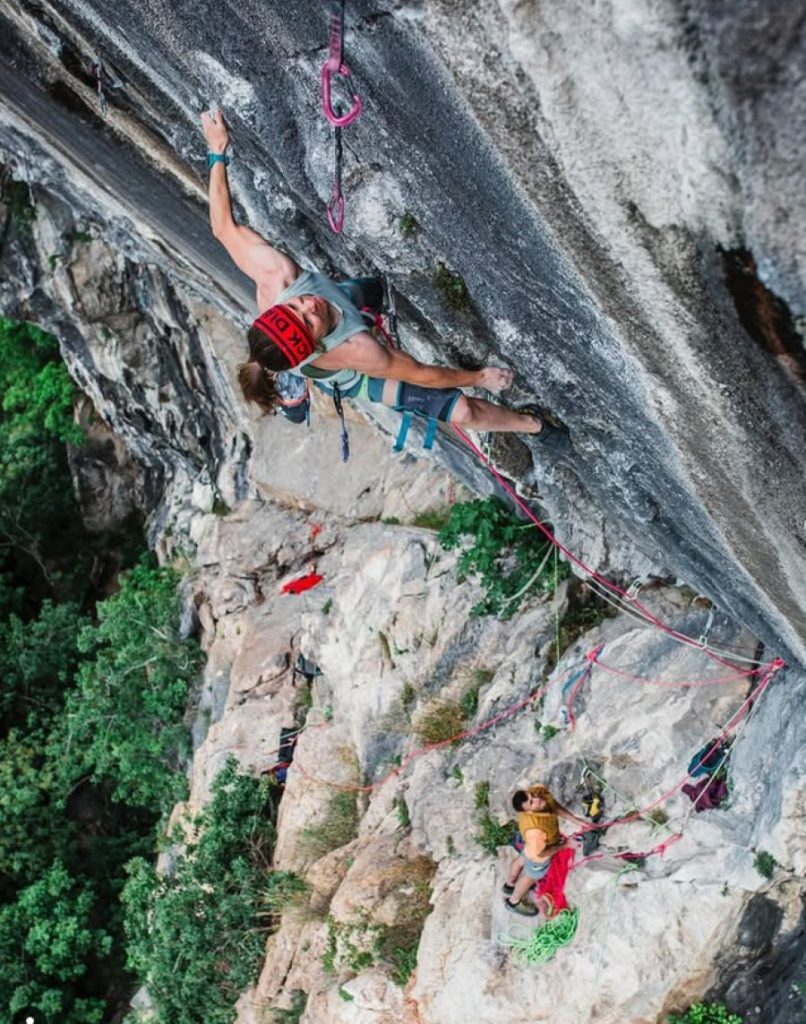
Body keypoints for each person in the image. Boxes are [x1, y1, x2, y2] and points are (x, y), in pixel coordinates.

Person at [201, 109, 555, 437]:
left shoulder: (277, 277)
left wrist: (217, 152)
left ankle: (359, 306)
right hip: (350, 376)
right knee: (460, 411)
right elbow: (424, 375)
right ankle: (534, 426)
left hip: (342, 303)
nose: (310, 307)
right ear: (315, 344)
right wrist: (479, 377)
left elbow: (222, 228)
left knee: (369, 290)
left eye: (296, 308)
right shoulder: (356, 352)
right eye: (308, 323)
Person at [504, 783, 586, 916]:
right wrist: (566, 845)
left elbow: (553, 806)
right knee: (531, 876)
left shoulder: (538, 791)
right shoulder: (535, 831)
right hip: (538, 856)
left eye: (532, 796)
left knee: (521, 859)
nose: (537, 799)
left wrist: (575, 820)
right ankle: (513, 901)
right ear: (528, 811)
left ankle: (509, 885)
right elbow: (540, 853)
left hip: (533, 845)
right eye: (531, 802)